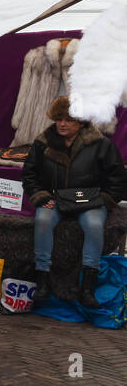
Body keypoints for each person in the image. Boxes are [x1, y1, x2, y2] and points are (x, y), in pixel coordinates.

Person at [22, 96, 127, 307]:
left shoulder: (101, 144)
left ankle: (87, 287)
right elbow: (29, 174)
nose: (62, 124)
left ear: (81, 121)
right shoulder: (43, 142)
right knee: (42, 221)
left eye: (68, 119)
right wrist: (41, 196)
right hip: (55, 199)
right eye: (58, 118)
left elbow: (117, 177)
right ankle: (42, 281)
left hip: (91, 201)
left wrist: (104, 199)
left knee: (95, 225)